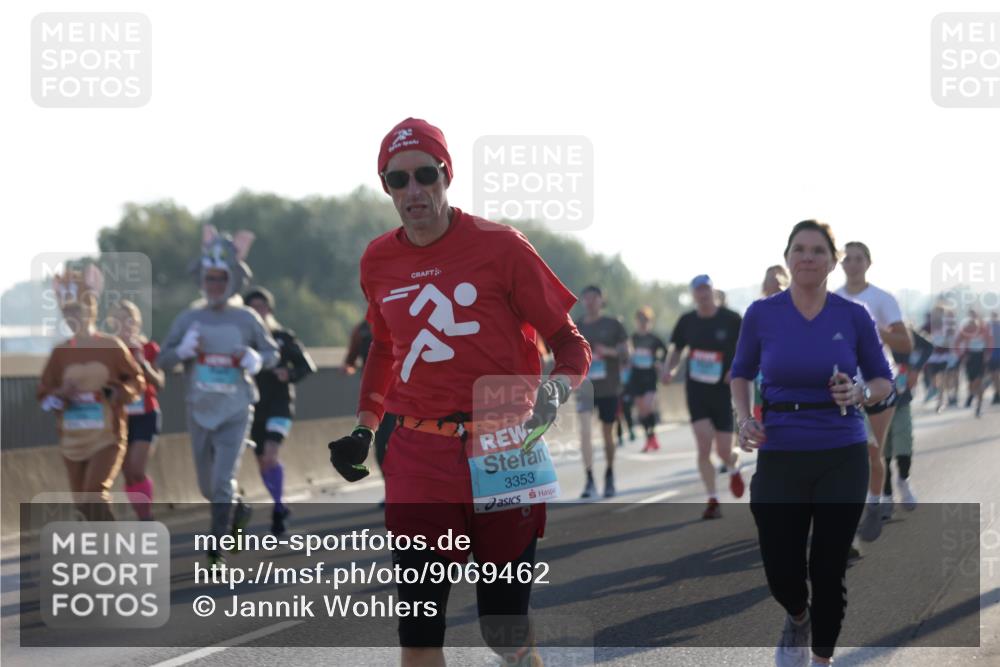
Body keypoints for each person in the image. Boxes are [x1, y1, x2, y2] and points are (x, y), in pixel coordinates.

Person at [327, 118, 590, 666]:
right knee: (419, 631)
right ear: (386, 187)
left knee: (503, 628)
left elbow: (569, 343)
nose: (414, 190)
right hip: (419, 449)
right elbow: (382, 347)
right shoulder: (377, 260)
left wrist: (554, 393)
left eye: (426, 174)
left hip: (503, 443)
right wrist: (364, 426)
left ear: (447, 175)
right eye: (399, 180)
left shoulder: (502, 247)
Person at [731, 219, 893, 667]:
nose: (807, 256)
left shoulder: (853, 315)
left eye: (818, 250)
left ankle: (820, 658)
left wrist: (861, 392)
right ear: (787, 258)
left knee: (828, 566)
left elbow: (883, 378)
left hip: (841, 450)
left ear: (832, 261)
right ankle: (797, 616)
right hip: (781, 449)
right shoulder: (762, 314)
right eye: (799, 249)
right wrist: (744, 419)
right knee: (781, 568)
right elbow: (740, 373)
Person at [159, 227, 279, 566]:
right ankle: (237, 508)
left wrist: (255, 360)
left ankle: (216, 549)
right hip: (199, 408)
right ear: (202, 279)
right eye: (209, 278)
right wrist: (181, 351)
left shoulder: (246, 317)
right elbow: (162, 360)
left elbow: (271, 354)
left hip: (237, 408)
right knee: (208, 488)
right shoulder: (189, 317)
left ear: (231, 280)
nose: (213, 284)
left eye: (220, 278)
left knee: (223, 480)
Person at [38, 265, 145, 521]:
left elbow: (136, 381)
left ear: (91, 309)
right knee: (83, 504)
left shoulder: (111, 346)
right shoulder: (60, 353)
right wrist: (60, 394)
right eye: (67, 312)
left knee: (94, 493)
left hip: (107, 435)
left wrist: (119, 393)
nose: (72, 317)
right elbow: (44, 394)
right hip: (72, 437)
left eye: (77, 310)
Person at [835, 241, 912, 541]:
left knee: (871, 456)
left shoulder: (882, 299)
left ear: (868, 263)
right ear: (841, 265)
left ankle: (874, 506)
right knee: (845, 458)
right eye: (847, 259)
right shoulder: (832, 299)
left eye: (858, 259)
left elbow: (904, 343)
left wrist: (871, 326)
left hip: (878, 384)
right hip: (843, 386)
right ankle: (847, 527)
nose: (852, 264)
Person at [662, 274, 745, 519]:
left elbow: (746, 347)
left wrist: (736, 369)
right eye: (698, 290)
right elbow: (676, 349)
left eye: (707, 288)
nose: (703, 293)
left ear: (713, 290)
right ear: (693, 294)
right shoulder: (687, 321)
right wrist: (670, 369)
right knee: (703, 445)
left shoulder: (731, 319)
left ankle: (734, 466)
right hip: (696, 390)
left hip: (722, 390)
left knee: (723, 451)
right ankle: (713, 499)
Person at [244, 287, 317, 535]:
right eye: (253, 308)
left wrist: (289, 373)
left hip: (280, 406)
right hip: (252, 408)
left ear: (270, 310)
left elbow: (307, 365)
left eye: (263, 307)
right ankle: (280, 504)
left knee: (270, 456)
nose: (258, 312)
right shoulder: (242, 341)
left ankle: (277, 509)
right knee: (262, 463)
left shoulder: (282, 337)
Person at [106, 299, 164, 521]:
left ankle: (146, 518)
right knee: (128, 475)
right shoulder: (109, 351)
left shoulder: (148, 348)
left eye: (129, 319)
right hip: (120, 417)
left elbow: (159, 383)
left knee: (137, 469)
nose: (125, 324)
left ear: (137, 323)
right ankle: (143, 517)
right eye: (119, 319)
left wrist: (143, 364)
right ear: (113, 323)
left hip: (146, 414)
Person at [575, 285, 629, 497]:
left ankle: (609, 475)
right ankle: (589, 479)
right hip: (585, 388)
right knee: (585, 432)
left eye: (593, 298)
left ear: (601, 300)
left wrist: (608, 351)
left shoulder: (613, 324)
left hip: (609, 388)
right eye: (586, 298)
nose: (589, 302)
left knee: (608, 433)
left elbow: (626, 353)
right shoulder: (576, 325)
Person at [882, 326, 932, 517]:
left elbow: (927, 347)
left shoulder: (900, 328)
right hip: (872, 399)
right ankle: (886, 496)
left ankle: (903, 479)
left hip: (900, 393)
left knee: (903, 440)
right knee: (881, 449)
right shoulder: (861, 324)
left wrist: (915, 369)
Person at [344, 319, 396, 474]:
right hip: (375, 399)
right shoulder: (360, 330)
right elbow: (351, 359)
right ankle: (389, 489)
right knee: (380, 446)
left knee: (398, 443)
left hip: (398, 395)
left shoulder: (394, 317)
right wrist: (347, 367)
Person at [752, 266, 791, 424]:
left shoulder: (796, 310)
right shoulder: (757, 312)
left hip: (789, 378)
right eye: (770, 278)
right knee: (765, 427)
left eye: (778, 277)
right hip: (761, 380)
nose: (774, 281)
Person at [627, 306, 668, 453]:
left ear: (650, 321)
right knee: (641, 410)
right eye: (640, 320)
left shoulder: (654, 338)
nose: (643, 323)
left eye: (646, 320)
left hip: (650, 376)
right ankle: (649, 438)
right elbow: (626, 353)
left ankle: (652, 437)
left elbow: (666, 351)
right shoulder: (632, 338)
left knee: (648, 406)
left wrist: (659, 362)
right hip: (636, 376)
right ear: (636, 321)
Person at [954, 309, 994, 418]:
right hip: (970, 357)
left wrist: (987, 355)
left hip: (981, 357)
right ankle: (971, 395)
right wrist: (962, 356)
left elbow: (990, 342)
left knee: (979, 381)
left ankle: (979, 406)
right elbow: (956, 343)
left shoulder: (984, 329)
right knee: (971, 382)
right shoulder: (966, 329)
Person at [990, 311, 1000, 405]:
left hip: (995, 354)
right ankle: (997, 393)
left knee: (995, 376)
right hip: (992, 354)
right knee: (995, 376)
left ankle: (997, 393)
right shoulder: (990, 327)